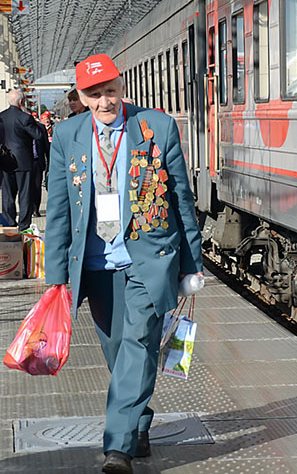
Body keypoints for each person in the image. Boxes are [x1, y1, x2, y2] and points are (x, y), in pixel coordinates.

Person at [44, 54, 203, 474]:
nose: (104, 101)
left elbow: (181, 200)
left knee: (137, 342)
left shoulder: (157, 128)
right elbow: (60, 210)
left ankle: (118, 447)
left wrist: (192, 264)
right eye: (94, 95)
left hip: (147, 260)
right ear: (81, 97)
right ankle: (139, 425)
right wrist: (55, 278)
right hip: (96, 264)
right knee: (118, 352)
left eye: (109, 90)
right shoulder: (67, 136)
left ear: (121, 86)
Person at [0, 90, 44, 229]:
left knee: (7, 195)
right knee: (25, 195)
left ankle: (9, 223)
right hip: (24, 161)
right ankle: (24, 224)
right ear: (21, 102)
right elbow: (38, 135)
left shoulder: (1, 116)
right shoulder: (25, 118)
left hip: (5, 160)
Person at [30, 116, 49, 217]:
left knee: (37, 187)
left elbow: (46, 146)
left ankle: (35, 209)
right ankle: (28, 209)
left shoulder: (41, 128)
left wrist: (49, 162)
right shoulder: (22, 127)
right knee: (27, 187)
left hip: (38, 161)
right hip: (26, 162)